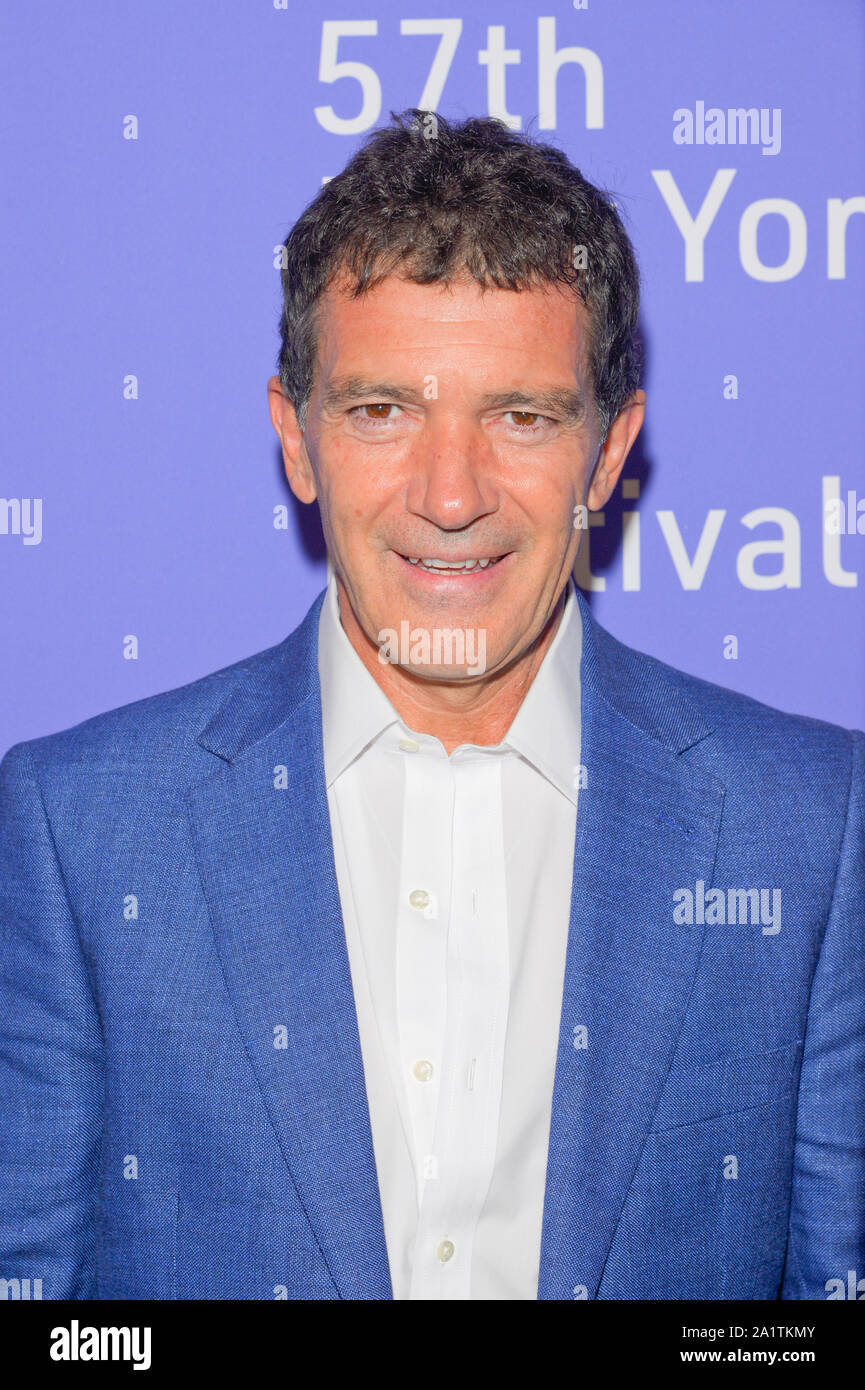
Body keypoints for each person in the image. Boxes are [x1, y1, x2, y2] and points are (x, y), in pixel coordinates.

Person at [0, 112, 862, 1302]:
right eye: (381, 410)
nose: (449, 495)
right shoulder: (76, 829)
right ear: (295, 441)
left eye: (520, 415)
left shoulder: (809, 827)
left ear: (609, 455)